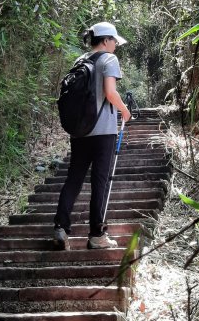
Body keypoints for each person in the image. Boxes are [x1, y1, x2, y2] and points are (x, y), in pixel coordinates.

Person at [53, 21, 131, 250]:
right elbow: (110, 92)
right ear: (106, 40)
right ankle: (97, 235)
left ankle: (60, 227)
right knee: (100, 181)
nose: (116, 45)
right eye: (114, 40)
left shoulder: (80, 61)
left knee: (74, 179)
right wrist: (124, 110)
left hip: (80, 131)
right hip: (103, 131)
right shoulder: (109, 59)